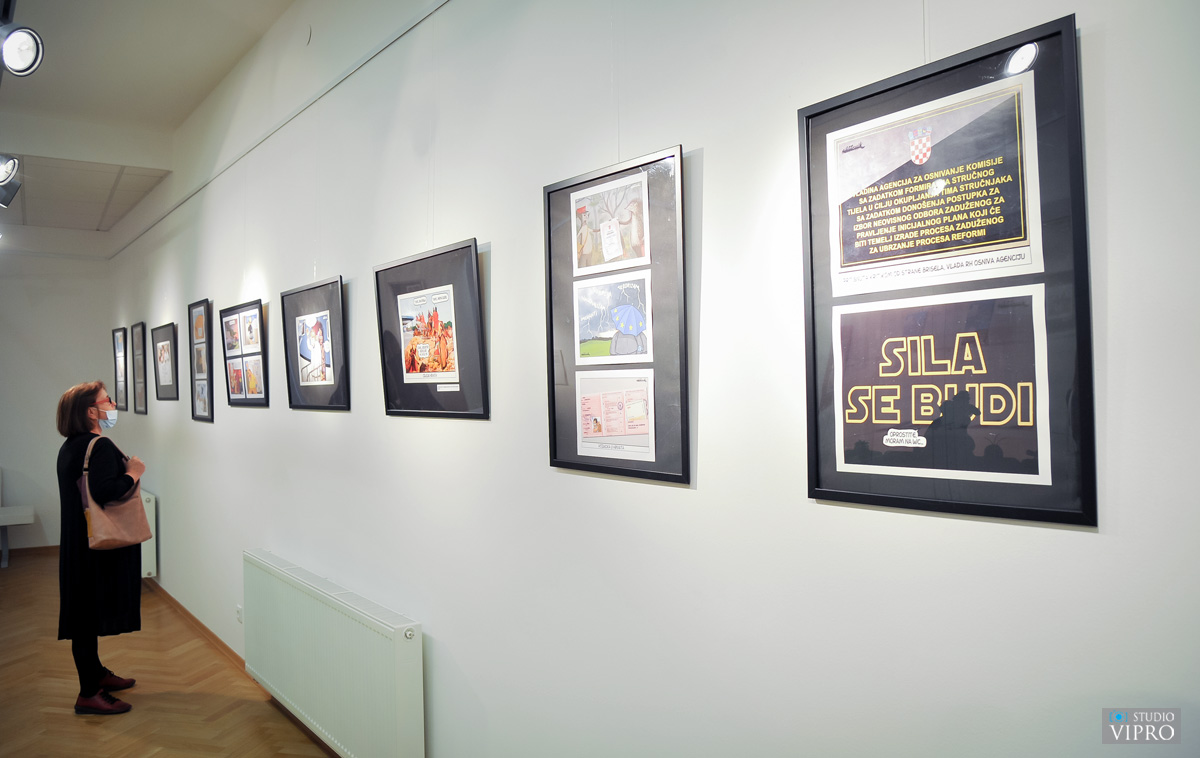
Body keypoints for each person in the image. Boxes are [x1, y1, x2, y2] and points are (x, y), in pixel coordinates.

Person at [55, 381, 146, 715]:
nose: (113, 405)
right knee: (86, 618)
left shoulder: (71, 446)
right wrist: (134, 473)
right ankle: (89, 693)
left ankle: (96, 675)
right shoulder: (100, 446)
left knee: (84, 614)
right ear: (91, 411)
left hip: (79, 543)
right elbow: (106, 491)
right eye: (107, 400)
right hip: (95, 550)